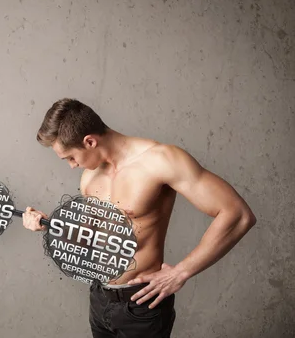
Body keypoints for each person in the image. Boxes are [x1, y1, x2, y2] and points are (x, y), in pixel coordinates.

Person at [21, 98, 256, 338]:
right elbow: (89, 239)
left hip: (141, 305)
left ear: (89, 141)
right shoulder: (89, 178)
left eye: (70, 157)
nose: (72, 166)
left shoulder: (161, 160)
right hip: (100, 299)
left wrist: (181, 272)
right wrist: (51, 225)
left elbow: (237, 214)